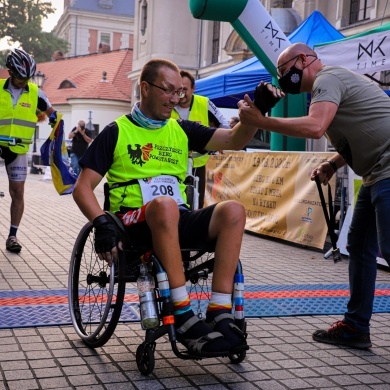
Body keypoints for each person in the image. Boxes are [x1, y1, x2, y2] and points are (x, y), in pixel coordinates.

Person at [73, 58, 259, 357]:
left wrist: (254, 116)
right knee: (164, 205)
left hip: (174, 217)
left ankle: (220, 311)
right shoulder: (116, 131)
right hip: (132, 223)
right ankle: (182, 312)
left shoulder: (181, 129)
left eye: (180, 92)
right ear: (145, 88)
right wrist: (101, 223)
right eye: (168, 90)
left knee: (233, 210)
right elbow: (82, 188)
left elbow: (235, 139)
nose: (176, 98)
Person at [238, 42, 390, 350]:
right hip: (377, 171)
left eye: (284, 71)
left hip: (387, 168)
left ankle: (355, 325)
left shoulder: (327, 78)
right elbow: (363, 128)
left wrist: (262, 122)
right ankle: (355, 327)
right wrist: (333, 163)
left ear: (303, 59)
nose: (282, 78)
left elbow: (316, 127)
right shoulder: (328, 87)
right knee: (359, 246)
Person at [0, 48, 56, 253]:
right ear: (10, 73)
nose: (24, 81)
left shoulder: (35, 92)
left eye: (27, 78)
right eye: (20, 78)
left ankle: (12, 236)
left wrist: (55, 130)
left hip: (18, 149)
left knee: (18, 192)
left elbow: (53, 115)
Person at [171, 70, 229, 208]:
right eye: (179, 90)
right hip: (172, 162)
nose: (182, 94)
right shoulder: (170, 103)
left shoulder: (204, 102)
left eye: (185, 89)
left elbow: (224, 123)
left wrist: (219, 141)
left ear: (193, 88)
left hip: (198, 162)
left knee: (197, 201)